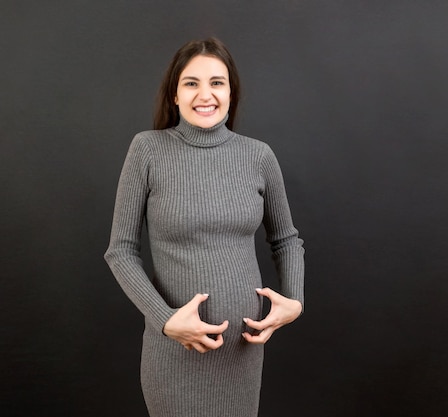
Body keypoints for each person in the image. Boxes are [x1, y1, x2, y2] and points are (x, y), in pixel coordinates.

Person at [104, 37, 305, 417]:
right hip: (175, 355)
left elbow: (286, 240)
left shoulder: (258, 156)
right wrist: (167, 322)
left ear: (231, 93)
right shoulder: (148, 150)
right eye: (191, 83)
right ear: (174, 96)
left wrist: (294, 300)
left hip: (242, 356)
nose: (205, 94)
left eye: (217, 82)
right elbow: (121, 251)